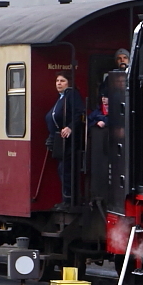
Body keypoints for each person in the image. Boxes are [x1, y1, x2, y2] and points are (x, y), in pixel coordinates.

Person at [45, 73, 85, 208]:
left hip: (70, 140)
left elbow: (79, 113)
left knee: (66, 169)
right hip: (59, 140)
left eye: (62, 81)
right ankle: (66, 199)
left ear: (69, 83)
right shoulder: (61, 97)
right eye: (57, 80)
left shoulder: (71, 95)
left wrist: (70, 127)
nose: (59, 83)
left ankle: (69, 200)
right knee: (62, 169)